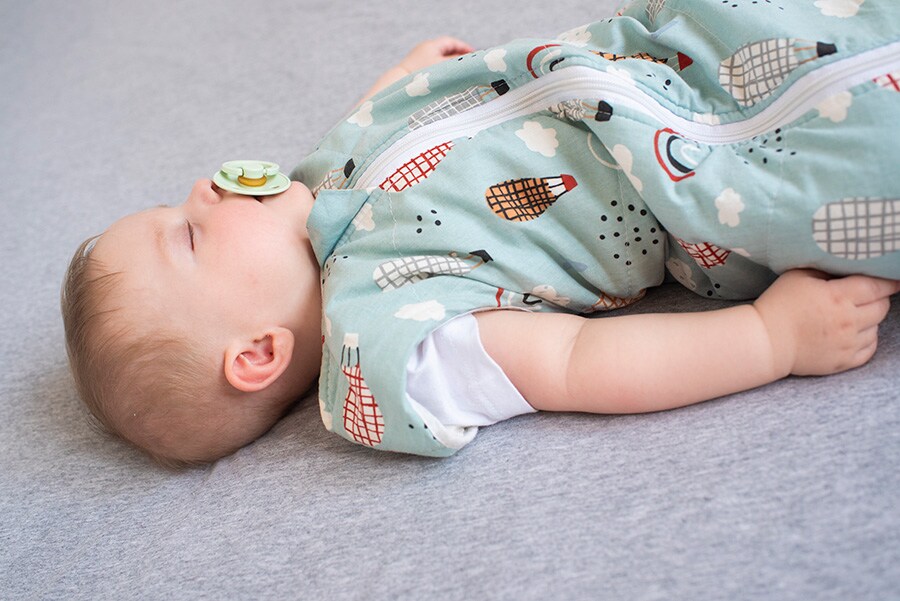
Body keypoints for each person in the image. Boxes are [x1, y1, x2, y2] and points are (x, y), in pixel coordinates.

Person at [62, 6, 900, 466]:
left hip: (668, 50)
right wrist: (768, 339)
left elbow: (369, 129)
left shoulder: (314, 187)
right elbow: (576, 364)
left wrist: (405, 79)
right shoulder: (392, 338)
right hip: (712, 183)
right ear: (256, 355)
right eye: (190, 236)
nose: (202, 191)